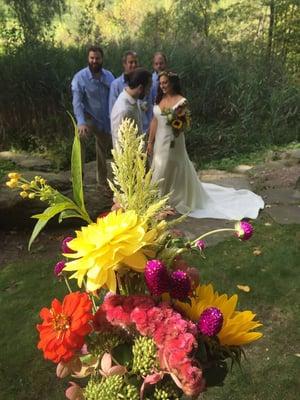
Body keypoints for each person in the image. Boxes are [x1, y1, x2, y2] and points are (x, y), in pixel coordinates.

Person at [147, 71, 264, 219]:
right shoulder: (159, 98)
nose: (163, 85)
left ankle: (166, 199)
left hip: (173, 142)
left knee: (170, 166)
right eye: (161, 83)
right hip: (159, 141)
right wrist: (150, 142)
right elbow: (155, 121)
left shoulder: (182, 101)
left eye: (165, 82)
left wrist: (175, 124)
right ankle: (157, 199)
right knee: (159, 165)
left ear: (172, 83)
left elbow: (181, 126)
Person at [71, 45, 114, 194]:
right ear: (88, 59)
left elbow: (115, 97)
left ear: (102, 59)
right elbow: (77, 103)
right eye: (92, 58)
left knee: (103, 149)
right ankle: (77, 181)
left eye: (97, 58)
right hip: (88, 119)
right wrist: (81, 122)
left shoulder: (109, 76)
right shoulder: (79, 78)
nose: (94, 61)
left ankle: (101, 183)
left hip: (105, 120)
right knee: (80, 137)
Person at [109, 51, 153, 132]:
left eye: (136, 62)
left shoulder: (133, 99)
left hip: (145, 130)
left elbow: (149, 107)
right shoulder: (123, 110)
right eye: (131, 62)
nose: (134, 65)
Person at [110, 68, 152, 148]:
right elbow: (118, 142)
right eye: (148, 88)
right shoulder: (123, 110)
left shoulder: (133, 100)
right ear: (140, 88)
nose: (148, 92)